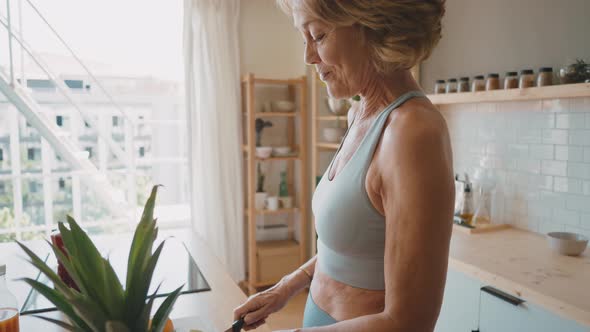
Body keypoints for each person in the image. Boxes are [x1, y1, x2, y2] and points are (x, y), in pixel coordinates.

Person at [235, 1, 453, 331]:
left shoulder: (412, 132)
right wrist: (285, 288)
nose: (308, 56)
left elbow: (410, 322)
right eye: (303, 37)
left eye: (318, 35)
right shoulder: (358, 114)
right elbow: (349, 248)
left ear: (373, 28)